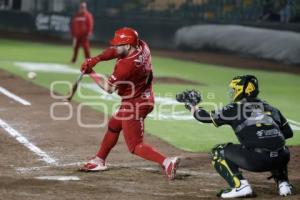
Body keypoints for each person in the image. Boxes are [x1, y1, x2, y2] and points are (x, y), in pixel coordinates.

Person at [79, 27, 180, 180]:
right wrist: (95, 60)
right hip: (142, 96)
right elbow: (114, 52)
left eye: (118, 44)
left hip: (136, 104)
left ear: (127, 46)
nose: (115, 47)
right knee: (114, 125)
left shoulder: (126, 66)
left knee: (135, 146)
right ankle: (99, 159)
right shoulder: (142, 46)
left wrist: (91, 72)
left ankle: (167, 162)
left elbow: (109, 88)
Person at [176, 75, 293, 198]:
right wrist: (265, 135)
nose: (232, 92)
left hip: (257, 161)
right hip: (282, 159)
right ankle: (284, 184)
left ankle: (240, 186)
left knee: (218, 151)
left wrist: (192, 106)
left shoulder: (234, 108)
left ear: (242, 90)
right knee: (277, 145)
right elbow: (288, 133)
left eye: (234, 89)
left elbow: (204, 117)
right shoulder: (271, 108)